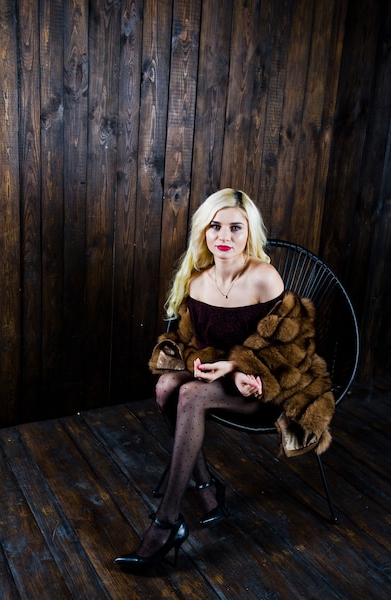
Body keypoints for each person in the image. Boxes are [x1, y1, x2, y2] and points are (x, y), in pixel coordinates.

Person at [114, 188, 334, 574]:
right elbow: (195, 347)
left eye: (236, 227)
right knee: (167, 387)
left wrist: (240, 370)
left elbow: (295, 347)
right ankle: (207, 487)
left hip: (266, 388)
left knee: (191, 396)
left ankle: (166, 524)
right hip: (222, 379)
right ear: (204, 231)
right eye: (215, 226)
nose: (224, 237)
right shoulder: (198, 283)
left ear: (250, 232)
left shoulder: (264, 277)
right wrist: (205, 364)